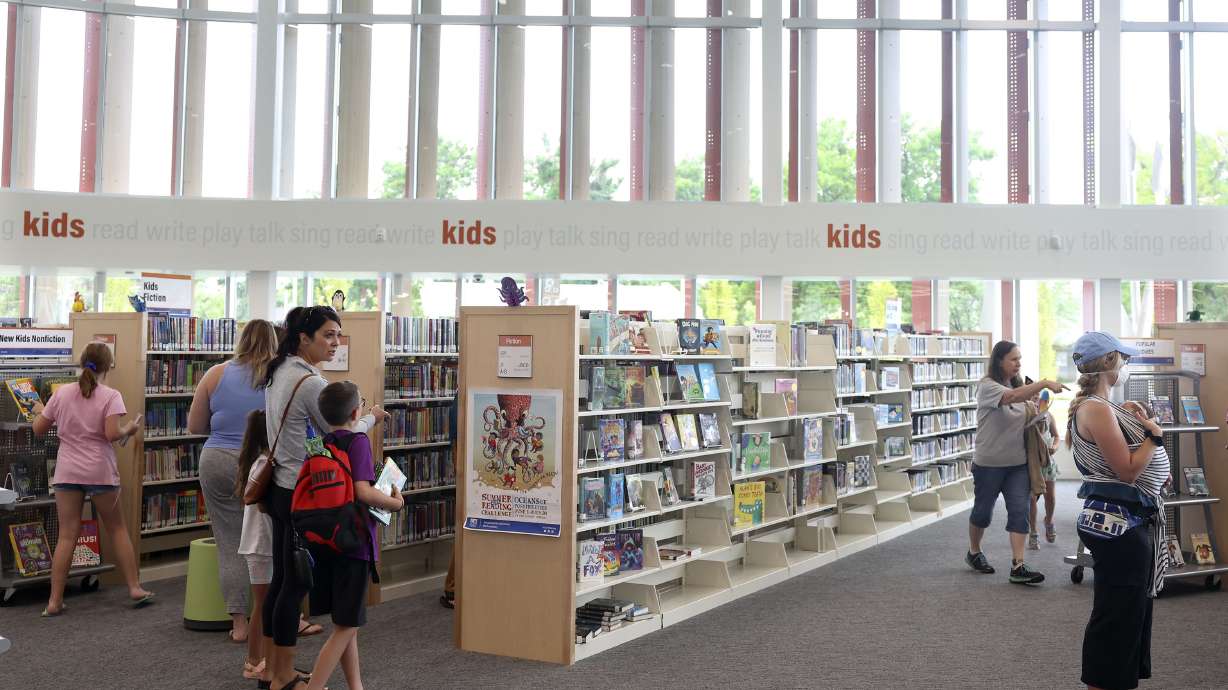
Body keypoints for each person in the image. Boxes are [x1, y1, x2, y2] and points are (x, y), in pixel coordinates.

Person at [262, 306, 384, 690]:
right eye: (328, 335)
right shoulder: (310, 382)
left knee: (283, 579)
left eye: (337, 335)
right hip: (305, 495)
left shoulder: (278, 372)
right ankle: (281, 675)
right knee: (294, 586)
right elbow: (340, 431)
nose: (335, 343)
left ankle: (273, 669)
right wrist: (372, 418)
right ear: (304, 338)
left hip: (282, 487)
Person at [1067, 332, 1169, 690]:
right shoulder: (1095, 407)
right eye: (1122, 359)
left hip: (1126, 521)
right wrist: (1154, 437)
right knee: (1117, 614)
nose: (1125, 365)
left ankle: (1117, 680)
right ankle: (1104, 682)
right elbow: (1126, 469)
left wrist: (1139, 424)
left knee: (1128, 611)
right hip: (1119, 527)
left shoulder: (1101, 406)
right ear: (1109, 361)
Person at [31, 342, 154, 615]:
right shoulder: (111, 396)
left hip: (67, 471)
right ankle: (134, 587)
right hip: (99, 471)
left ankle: (54, 601)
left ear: (82, 363)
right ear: (108, 367)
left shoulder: (61, 394)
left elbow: (39, 429)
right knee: (117, 529)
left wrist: (40, 411)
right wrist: (130, 428)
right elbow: (111, 434)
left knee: (66, 536)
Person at [187, 319, 288, 644]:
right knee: (271, 543)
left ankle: (240, 624)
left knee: (229, 541)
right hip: (263, 466)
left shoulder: (216, 374)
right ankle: (275, 615)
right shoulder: (279, 376)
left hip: (217, 459)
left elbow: (194, 426)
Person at [302, 381, 403, 690]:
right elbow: (362, 492)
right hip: (354, 542)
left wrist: (370, 418)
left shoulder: (321, 441)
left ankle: (355, 686)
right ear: (356, 410)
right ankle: (313, 686)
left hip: (327, 540)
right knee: (347, 626)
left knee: (347, 622)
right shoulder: (358, 442)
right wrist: (395, 502)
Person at [965, 340, 1065, 585]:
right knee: (982, 513)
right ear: (999, 361)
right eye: (1013, 359)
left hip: (1018, 464)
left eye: (1020, 359)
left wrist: (1040, 415)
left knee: (1020, 512)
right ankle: (974, 552)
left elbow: (1027, 414)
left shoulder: (1020, 387)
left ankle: (1018, 565)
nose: (1018, 364)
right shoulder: (988, 386)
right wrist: (1042, 384)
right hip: (989, 463)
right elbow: (1011, 397)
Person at [236, 410, 274, 686]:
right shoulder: (263, 463)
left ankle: (258, 659)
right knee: (262, 603)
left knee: (264, 602)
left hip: (259, 542)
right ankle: (253, 661)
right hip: (261, 543)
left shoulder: (256, 460)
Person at [1025, 377, 1061, 550]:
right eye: (1032, 395)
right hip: (1030, 462)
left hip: (1047, 460)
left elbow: (1056, 436)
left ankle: (1049, 520)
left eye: (1037, 396)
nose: (1035, 399)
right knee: (1031, 499)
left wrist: (1054, 446)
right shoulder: (1022, 414)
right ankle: (1033, 532)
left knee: (1050, 497)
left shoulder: (1048, 415)